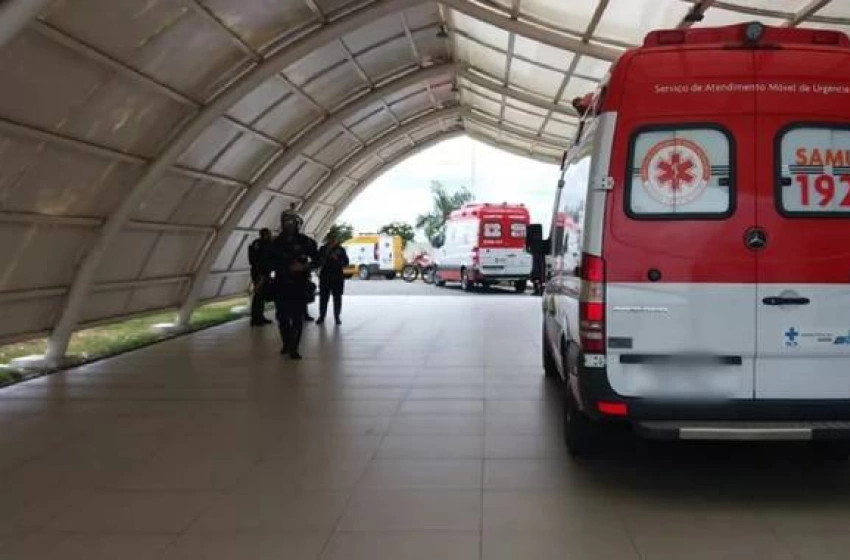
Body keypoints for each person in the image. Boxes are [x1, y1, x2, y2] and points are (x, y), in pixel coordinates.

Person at [267, 210, 318, 359]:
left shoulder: (306, 242)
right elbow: (267, 261)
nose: (288, 225)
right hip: (281, 283)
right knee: (282, 317)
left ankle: (294, 348)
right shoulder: (275, 243)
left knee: (297, 317)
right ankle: (286, 343)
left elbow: (318, 259)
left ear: (298, 223)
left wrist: (305, 267)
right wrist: (284, 267)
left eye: (291, 221)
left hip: (299, 284)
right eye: (285, 221)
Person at [316, 231, 349, 325]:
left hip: (337, 276)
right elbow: (317, 261)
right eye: (331, 238)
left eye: (334, 239)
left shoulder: (341, 249)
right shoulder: (323, 249)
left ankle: (337, 317)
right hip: (325, 276)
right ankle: (322, 316)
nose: (332, 240)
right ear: (328, 239)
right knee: (323, 298)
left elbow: (346, 262)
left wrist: (337, 259)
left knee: (337, 297)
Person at [247, 228, 273, 326]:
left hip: (261, 272)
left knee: (261, 296)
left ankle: (260, 317)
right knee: (258, 295)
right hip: (260, 272)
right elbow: (260, 260)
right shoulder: (264, 245)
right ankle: (255, 319)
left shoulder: (257, 243)